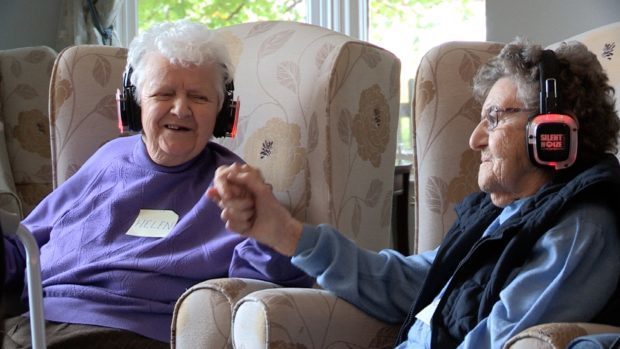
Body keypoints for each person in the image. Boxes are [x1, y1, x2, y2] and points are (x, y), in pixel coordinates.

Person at [207, 38, 620, 348]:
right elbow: (407, 280)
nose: (476, 139)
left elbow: (500, 340)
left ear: (549, 132)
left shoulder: (581, 229)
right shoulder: (497, 217)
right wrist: (285, 233)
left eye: (494, 118)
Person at [1, 20, 312, 348]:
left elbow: (272, 285)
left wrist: (268, 228)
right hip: (30, 324)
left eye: (199, 97)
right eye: (164, 93)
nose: (181, 109)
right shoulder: (108, 158)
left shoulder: (236, 188)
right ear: (135, 105)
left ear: (223, 114)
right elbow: (23, 248)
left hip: (128, 335)